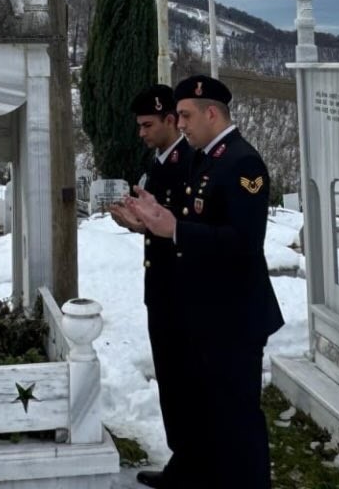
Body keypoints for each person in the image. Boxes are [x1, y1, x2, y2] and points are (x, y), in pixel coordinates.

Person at [124, 74, 283, 489]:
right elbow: (192, 222)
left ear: (212, 113)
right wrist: (153, 219)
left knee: (239, 421)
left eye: (186, 116)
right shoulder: (205, 157)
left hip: (234, 314)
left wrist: (174, 228)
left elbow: (244, 242)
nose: (180, 125)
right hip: (207, 312)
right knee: (208, 413)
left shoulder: (242, 163)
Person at [108, 83, 195, 488]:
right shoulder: (159, 163)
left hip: (182, 290)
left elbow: (186, 227)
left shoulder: (189, 162)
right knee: (171, 379)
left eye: (147, 125)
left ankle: (195, 465)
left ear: (169, 120)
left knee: (186, 382)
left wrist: (147, 224)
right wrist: (135, 221)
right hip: (161, 287)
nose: (141, 133)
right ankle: (183, 460)